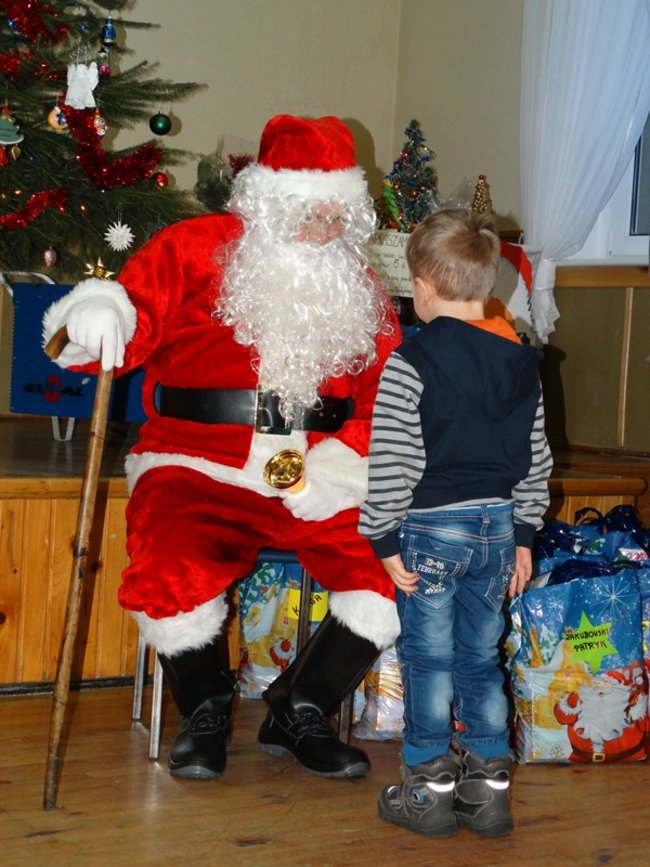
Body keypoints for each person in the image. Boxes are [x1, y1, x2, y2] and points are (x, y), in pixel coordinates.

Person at [42, 114, 402, 781]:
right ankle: (202, 707)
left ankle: (299, 708)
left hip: (317, 473)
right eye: (308, 209)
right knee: (171, 560)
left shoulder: (359, 287)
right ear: (267, 200)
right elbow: (122, 324)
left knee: (390, 571)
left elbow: (384, 395)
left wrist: (348, 467)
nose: (325, 227)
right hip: (196, 460)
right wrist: (92, 320)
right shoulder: (196, 247)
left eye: (337, 213)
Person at [358, 209, 552, 837]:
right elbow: (536, 457)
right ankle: (489, 791)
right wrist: (524, 534)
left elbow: (392, 459)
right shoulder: (521, 360)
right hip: (497, 529)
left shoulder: (411, 363)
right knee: (479, 657)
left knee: (428, 659)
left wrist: (383, 537)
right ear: (486, 282)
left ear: (423, 286)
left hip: (432, 531)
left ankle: (428, 792)